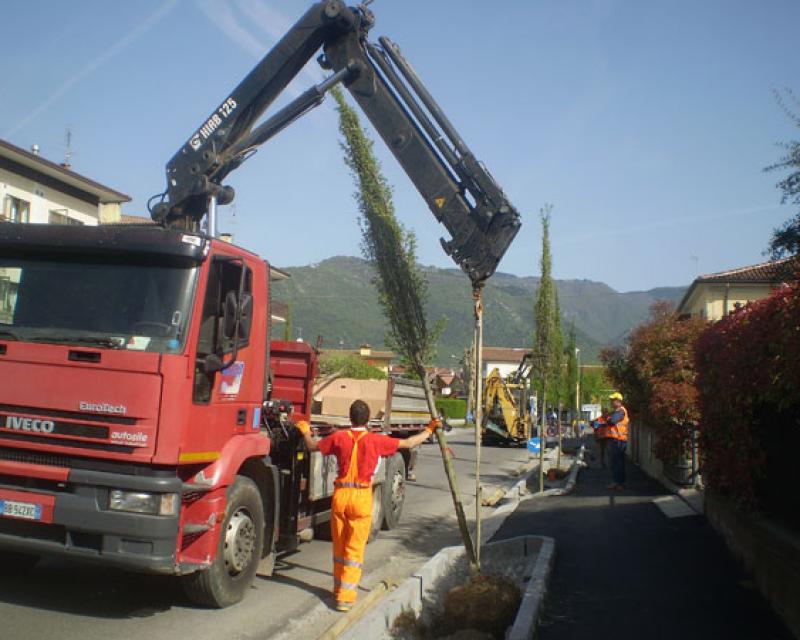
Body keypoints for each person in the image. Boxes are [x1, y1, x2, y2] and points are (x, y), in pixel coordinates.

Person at [294, 400, 439, 611]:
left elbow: (312, 446)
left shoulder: (339, 437)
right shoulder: (375, 440)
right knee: (354, 550)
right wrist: (429, 430)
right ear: (368, 419)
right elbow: (408, 443)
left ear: (350, 417)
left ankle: (338, 590)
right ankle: (345, 598)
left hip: (341, 496)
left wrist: (305, 431)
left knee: (340, 547)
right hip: (361, 497)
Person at [605, 392, 630, 490]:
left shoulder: (620, 411)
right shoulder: (617, 411)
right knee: (616, 462)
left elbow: (612, 421)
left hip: (619, 440)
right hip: (617, 439)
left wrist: (609, 419)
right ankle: (617, 482)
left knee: (618, 462)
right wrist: (609, 418)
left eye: (613, 400)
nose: (611, 402)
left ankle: (619, 483)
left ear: (618, 401)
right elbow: (610, 420)